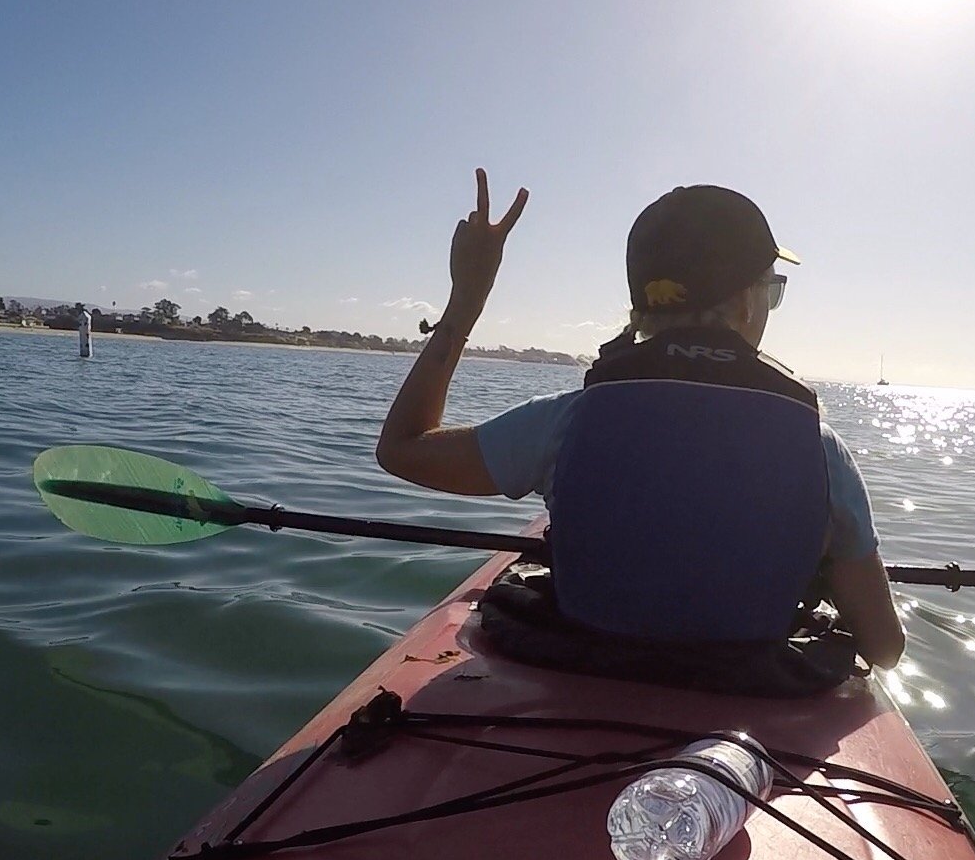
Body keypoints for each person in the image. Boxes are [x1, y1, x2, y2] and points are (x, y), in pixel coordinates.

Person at [377, 170, 905, 671]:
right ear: (746, 300)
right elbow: (883, 648)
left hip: (580, 683)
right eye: (771, 288)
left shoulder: (568, 422)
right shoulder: (819, 450)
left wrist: (466, 299)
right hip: (748, 704)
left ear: (643, 309)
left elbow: (401, 448)